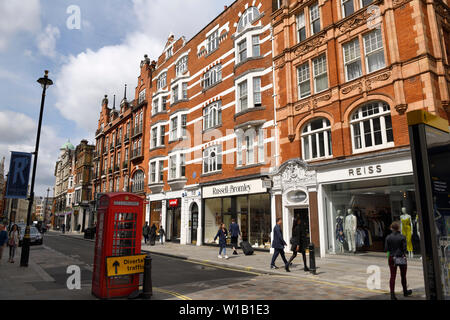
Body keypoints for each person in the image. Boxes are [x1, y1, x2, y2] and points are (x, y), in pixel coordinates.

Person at [385, 221, 413, 300]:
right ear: (398, 228)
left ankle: (392, 295)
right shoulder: (402, 237)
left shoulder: (388, 237)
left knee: (392, 276)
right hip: (400, 257)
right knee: (403, 276)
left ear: (391, 228)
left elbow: (386, 249)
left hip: (392, 257)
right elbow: (405, 249)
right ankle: (405, 291)